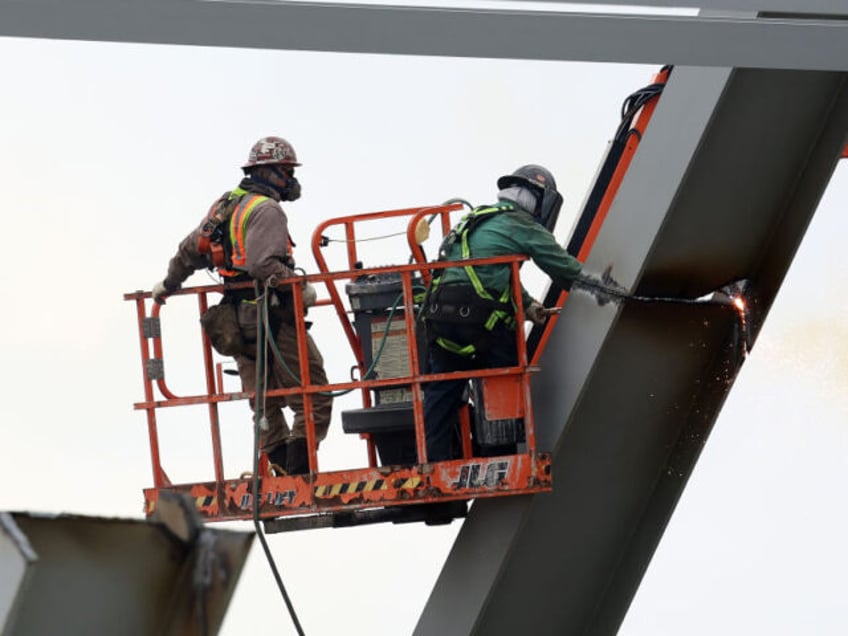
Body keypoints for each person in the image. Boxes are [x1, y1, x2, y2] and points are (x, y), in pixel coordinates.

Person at [151, 136, 332, 475]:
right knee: (314, 395)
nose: (292, 179)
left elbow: (190, 249)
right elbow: (264, 265)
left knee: (264, 403)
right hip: (272, 314)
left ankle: (280, 473)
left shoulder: (226, 205)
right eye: (288, 171)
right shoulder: (267, 210)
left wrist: (168, 284)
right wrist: (300, 287)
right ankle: (296, 475)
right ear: (272, 173)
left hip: (236, 320)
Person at [421, 164, 584, 462]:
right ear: (541, 200)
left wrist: (529, 303)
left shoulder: (476, 220)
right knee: (502, 377)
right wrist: (603, 287)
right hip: (480, 325)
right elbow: (563, 267)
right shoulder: (520, 224)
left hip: (440, 320)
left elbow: (485, 274)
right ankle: (500, 460)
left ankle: (432, 466)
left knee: (442, 387)